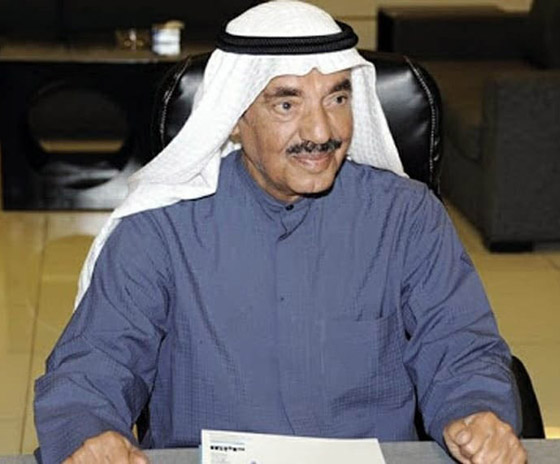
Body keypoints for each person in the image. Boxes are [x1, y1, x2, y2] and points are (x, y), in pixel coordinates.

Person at [34, 2, 527, 463]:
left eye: (337, 98)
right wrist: (90, 430)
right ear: (234, 119)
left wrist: (475, 411)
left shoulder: (405, 217)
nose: (321, 132)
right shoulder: (160, 228)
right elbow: (97, 361)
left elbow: (460, 346)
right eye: (287, 106)